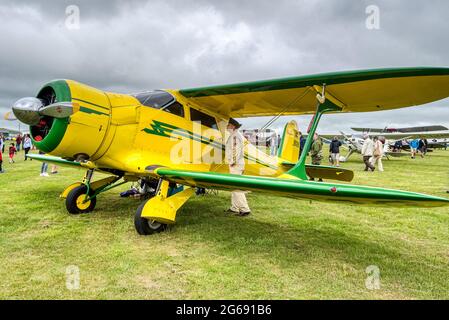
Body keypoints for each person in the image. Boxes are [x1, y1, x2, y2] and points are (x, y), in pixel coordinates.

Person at [225, 118, 251, 216]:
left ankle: (245, 209)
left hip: (236, 165)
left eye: (228, 125)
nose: (227, 127)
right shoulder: (234, 135)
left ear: (233, 126)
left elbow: (237, 151)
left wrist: (232, 162)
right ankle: (234, 207)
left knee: (236, 188)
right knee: (233, 187)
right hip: (236, 164)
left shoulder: (235, 136)